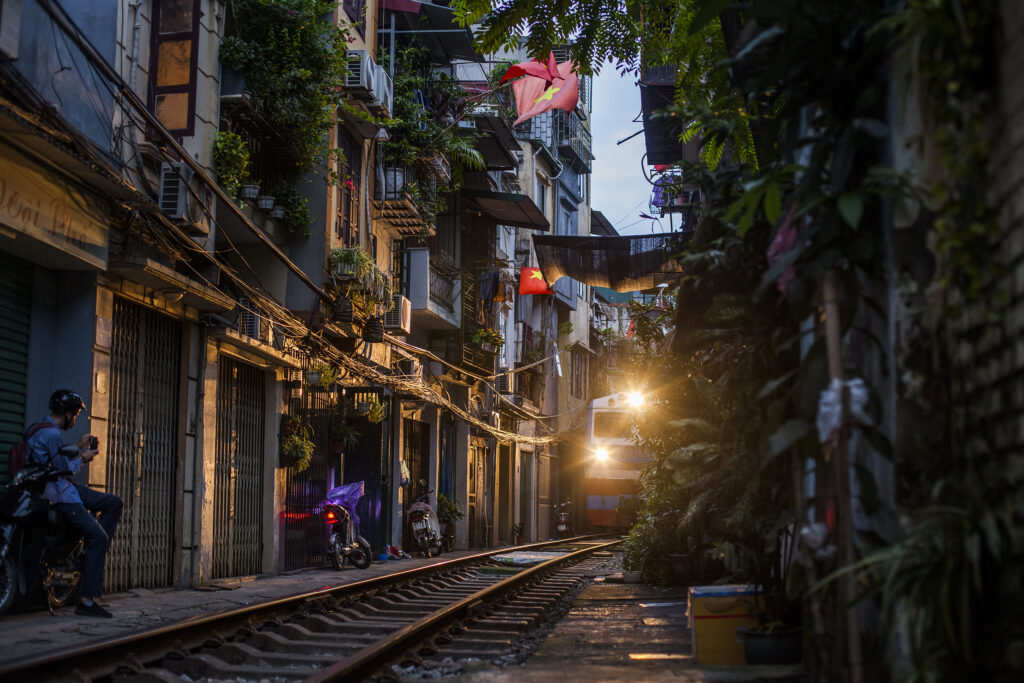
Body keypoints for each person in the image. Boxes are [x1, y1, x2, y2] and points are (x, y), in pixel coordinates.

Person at [26, 390, 122, 618]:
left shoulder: (38, 428)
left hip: (61, 488)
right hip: (59, 493)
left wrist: (78, 445)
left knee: (113, 503)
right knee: (99, 537)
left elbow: (54, 461)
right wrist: (83, 458)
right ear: (68, 413)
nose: (75, 419)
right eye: (75, 414)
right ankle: (88, 601)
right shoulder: (50, 434)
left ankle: (89, 556)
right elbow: (63, 470)